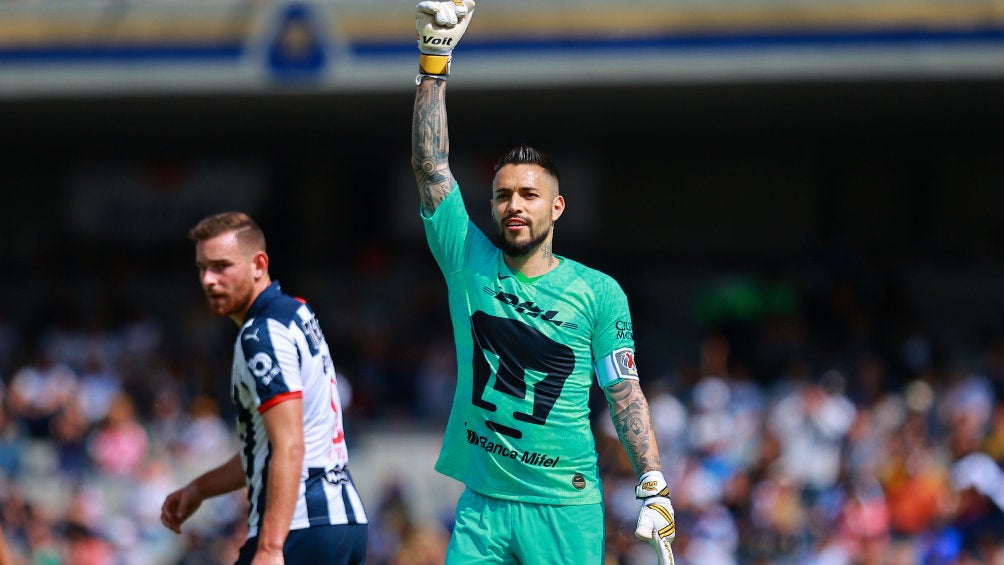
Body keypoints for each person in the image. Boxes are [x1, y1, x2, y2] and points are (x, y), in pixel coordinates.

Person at [410, 2, 677, 563]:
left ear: (556, 207)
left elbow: (622, 390)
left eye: (529, 195)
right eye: (504, 195)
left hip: (564, 506)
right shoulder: (467, 260)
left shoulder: (598, 292)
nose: (515, 206)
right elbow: (431, 165)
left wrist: (653, 480)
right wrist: (433, 63)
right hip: (482, 502)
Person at [160, 212, 367, 565]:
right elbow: (269, 448)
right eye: (202, 268)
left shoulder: (261, 335)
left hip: (300, 528)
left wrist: (270, 547)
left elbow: (289, 445)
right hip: (343, 524)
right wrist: (199, 489)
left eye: (221, 266)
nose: (208, 280)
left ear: (259, 264)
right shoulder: (296, 312)